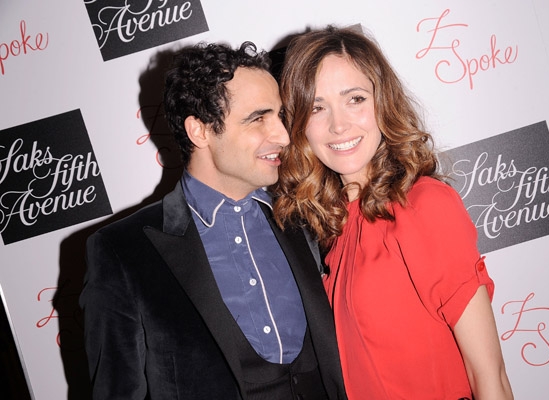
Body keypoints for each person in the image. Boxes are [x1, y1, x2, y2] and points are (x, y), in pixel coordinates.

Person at [80, 41, 346, 400]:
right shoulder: (123, 251)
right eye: (258, 118)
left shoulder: (302, 215)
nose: (283, 136)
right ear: (200, 131)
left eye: (280, 116)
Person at [273, 26, 514, 400]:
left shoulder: (424, 205)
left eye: (355, 99)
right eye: (317, 108)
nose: (339, 125)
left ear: (382, 102)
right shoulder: (332, 229)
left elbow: (489, 375)